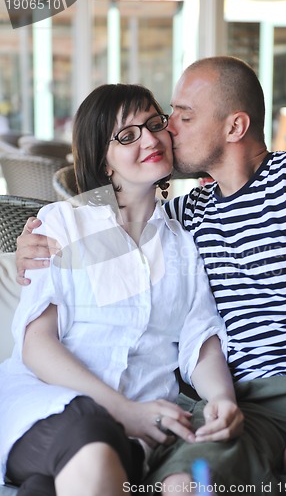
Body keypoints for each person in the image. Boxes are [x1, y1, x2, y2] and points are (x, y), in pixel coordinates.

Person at [15, 56, 286, 496]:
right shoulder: (187, 217)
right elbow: (104, 241)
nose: (166, 132)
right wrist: (29, 245)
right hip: (227, 402)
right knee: (179, 483)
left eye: (178, 117)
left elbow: (198, 335)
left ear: (234, 127)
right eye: (170, 117)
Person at [0, 83, 244, 496]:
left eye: (153, 124)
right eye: (127, 135)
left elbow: (199, 339)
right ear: (104, 160)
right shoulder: (63, 224)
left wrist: (222, 398)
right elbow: (36, 344)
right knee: (93, 439)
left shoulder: (184, 242)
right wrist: (124, 411)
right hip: (46, 408)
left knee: (55, 482)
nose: (150, 139)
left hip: (132, 435)